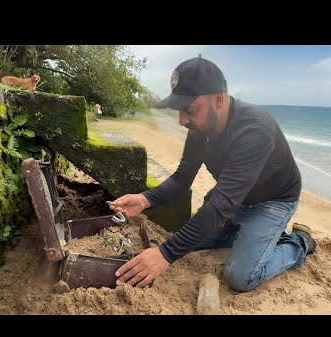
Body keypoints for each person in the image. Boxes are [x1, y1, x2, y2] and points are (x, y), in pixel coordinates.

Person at [111, 55, 316, 291]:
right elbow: (182, 178)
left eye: (189, 110)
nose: (182, 121)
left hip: (271, 202)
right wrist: (145, 199)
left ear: (218, 99)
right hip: (233, 200)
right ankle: (256, 236)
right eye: (179, 111)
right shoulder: (200, 129)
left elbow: (219, 207)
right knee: (191, 240)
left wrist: (165, 254)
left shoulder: (256, 131)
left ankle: (298, 242)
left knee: (241, 277)